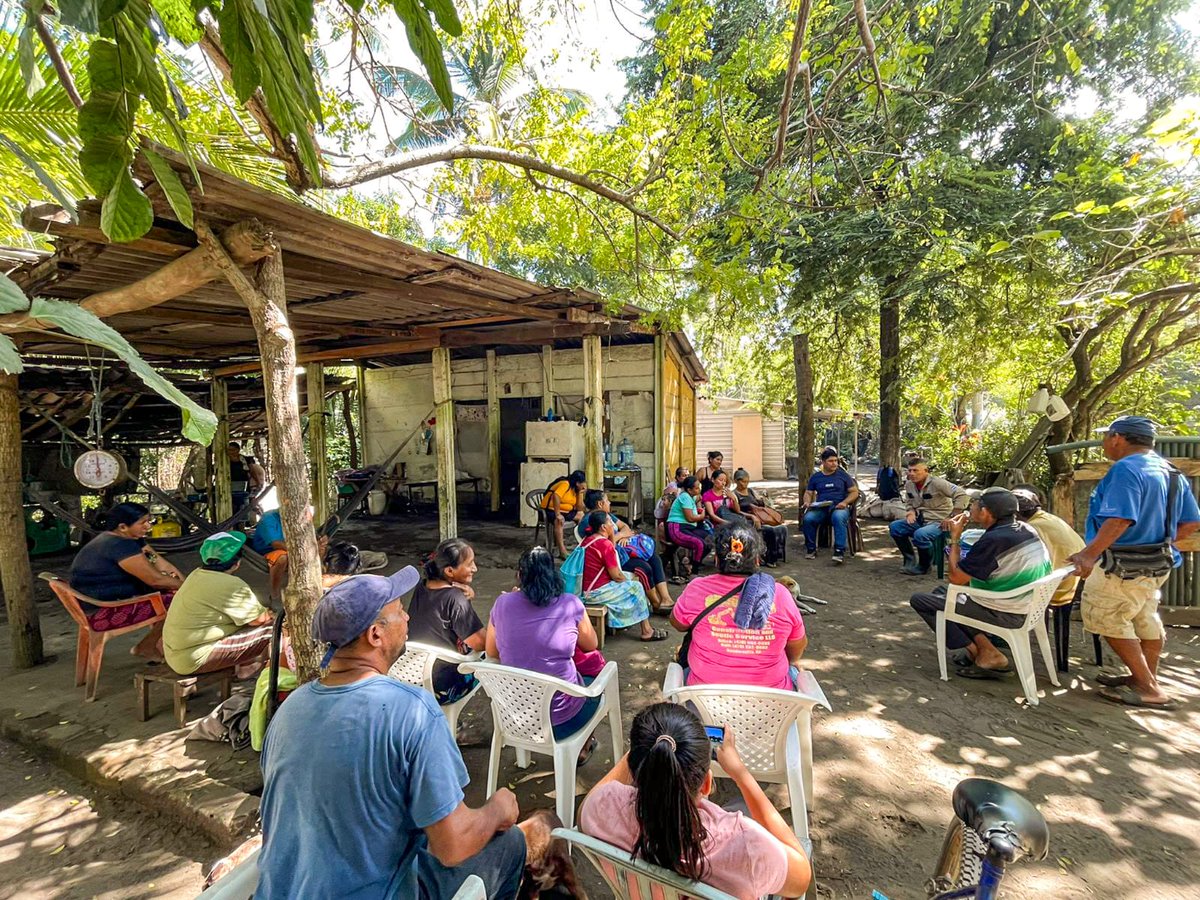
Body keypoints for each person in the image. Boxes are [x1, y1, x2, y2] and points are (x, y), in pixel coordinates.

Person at [256, 571, 526, 899]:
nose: (408, 616)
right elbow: (452, 846)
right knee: (511, 842)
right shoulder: (413, 711)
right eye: (400, 611)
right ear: (375, 635)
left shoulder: (290, 709)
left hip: (283, 890)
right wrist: (497, 809)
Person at [579, 703, 811, 900]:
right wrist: (741, 774)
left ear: (636, 768)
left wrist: (648, 747)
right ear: (707, 783)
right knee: (741, 804)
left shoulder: (603, 806)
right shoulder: (748, 847)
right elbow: (800, 879)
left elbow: (588, 804)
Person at [1068, 417, 1200, 710]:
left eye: (1106, 438)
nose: (1104, 443)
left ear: (1118, 438)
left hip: (1122, 565)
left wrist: (1089, 554)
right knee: (1144, 619)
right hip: (1158, 564)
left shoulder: (1126, 469)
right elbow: (1191, 522)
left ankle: (1148, 687)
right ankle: (1143, 677)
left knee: (1108, 618)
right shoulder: (1171, 471)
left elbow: (1120, 519)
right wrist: (1158, 543)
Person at [909, 487, 1052, 679]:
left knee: (921, 600)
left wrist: (955, 538)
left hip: (1006, 611)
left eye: (974, 505)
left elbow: (956, 578)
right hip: (1027, 604)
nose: (971, 509)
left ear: (985, 512)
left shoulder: (995, 539)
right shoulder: (1025, 528)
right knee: (941, 593)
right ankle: (984, 649)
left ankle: (982, 654)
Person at [488, 547, 605, 761]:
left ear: (520, 576)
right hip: (563, 721)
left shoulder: (502, 604)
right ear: (553, 574)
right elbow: (591, 644)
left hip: (514, 718)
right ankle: (583, 747)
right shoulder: (570, 603)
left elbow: (491, 652)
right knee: (596, 674)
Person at [669, 522, 807, 689]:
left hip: (704, 701)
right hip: (773, 707)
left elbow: (678, 623)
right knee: (794, 669)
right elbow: (796, 648)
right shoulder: (781, 594)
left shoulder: (696, 589)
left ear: (717, 559)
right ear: (757, 560)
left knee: (682, 668)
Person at [68, 502, 184, 659]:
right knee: (179, 602)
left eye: (149, 521)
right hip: (103, 611)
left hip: (103, 602)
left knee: (174, 592)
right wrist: (188, 588)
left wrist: (183, 582)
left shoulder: (129, 539)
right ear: (122, 527)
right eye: (142, 523)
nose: (148, 526)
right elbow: (155, 580)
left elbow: (160, 563)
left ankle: (159, 645)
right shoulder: (119, 545)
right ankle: (146, 646)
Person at [163, 532, 274, 678]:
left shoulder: (196, 574)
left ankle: (247, 666)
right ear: (237, 563)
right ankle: (256, 672)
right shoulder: (231, 585)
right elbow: (259, 620)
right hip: (195, 658)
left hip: (175, 655)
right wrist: (269, 613)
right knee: (276, 627)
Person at [408, 538, 486, 703]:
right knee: (492, 656)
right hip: (443, 687)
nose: (475, 568)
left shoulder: (422, 586)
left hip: (413, 675)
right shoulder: (455, 599)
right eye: (470, 563)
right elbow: (481, 644)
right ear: (450, 571)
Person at [577, 489, 677, 608]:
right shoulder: (589, 522)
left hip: (623, 551)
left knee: (654, 558)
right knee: (644, 568)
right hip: (613, 560)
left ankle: (666, 599)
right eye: (607, 500)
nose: (609, 503)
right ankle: (656, 604)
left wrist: (621, 536)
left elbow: (625, 527)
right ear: (600, 504)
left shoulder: (606, 516)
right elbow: (603, 545)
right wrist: (620, 536)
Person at [579, 511, 667, 641]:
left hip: (587, 588)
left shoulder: (588, 540)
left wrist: (611, 537)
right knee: (636, 587)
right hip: (596, 592)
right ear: (603, 527)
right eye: (610, 522)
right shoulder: (604, 545)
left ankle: (628, 622)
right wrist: (627, 583)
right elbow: (617, 576)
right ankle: (647, 631)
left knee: (630, 582)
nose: (613, 525)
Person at [889, 457, 969, 575]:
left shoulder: (938, 483)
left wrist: (952, 517)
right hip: (920, 519)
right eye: (909, 470)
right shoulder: (909, 484)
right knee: (895, 527)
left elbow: (962, 495)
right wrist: (910, 511)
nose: (911, 473)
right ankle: (909, 559)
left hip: (939, 521)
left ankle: (924, 566)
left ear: (926, 471)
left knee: (920, 535)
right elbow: (909, 502)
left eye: (915, 470)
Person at [1012, 485, 1084, 608]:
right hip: (1073, 581)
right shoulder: (1048, 519)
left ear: (1016, 514)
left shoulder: (1030, 528)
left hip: (1056, 588)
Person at [249, 505, 326, 600]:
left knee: (320, 548)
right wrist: (303, 551)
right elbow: (276, 544)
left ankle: (313, 583)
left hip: (293, 548)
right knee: (282, 557)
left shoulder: (299, 518)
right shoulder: (269, 518)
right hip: (268, 551)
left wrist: (319, 541)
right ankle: (274, 594)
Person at [801, 447, 859, 564]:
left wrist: (845, 502)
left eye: (836, 461)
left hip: (839, 507)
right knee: (808, 518)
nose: (834, 463)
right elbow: (808, 493)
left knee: (838, 517)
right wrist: (807, 502)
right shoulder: (816, 477)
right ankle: (811, 549)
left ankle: (839, 551)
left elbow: (854, 492)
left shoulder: (843, 475)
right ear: (823, 462)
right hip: (821, 508)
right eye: (831, 461)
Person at [731, 469, 788, 567]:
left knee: (782, 528)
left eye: (747, 481)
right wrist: (751, 516)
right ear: (736, 481)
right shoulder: (734, 494)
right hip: (748, 520)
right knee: (770, 530)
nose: (745, 484)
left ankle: (778, 554)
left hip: (760, 517)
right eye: (743, 481)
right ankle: (770, 558)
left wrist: (763, 500)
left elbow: (760, 503)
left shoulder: (751, 491)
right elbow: (736, 511)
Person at [666, 476, 713, 572]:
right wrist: (702, 515)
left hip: (689, 527)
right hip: (677, 527)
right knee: (699, 544)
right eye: (696, 488)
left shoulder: (692, 496)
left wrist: (698, 507)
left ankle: (690, 563)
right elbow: (690, 518)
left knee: (709, 541)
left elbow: (699, 497)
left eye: (699, 487)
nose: (699, 489)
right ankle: (693, 569)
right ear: (689, 490)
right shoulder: (685, 497)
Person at [540, 470, 587, 558]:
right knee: (559, 521)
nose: (585, 484)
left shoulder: (576, 490)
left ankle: (583, 544)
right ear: (577, 483)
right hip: (552, 510)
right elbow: (556, 496)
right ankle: (562, 551)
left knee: (582, 516)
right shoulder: (565, 484)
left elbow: (580, 508)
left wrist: (580, 494)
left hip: (566, 512)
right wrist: (558, 514)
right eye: (584, 482)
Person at [226, 441, 265, 508]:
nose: (231, 452)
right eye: (229, 450)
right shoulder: (225, 461)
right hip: (229, 485)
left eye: (233, 450)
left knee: (243, 503)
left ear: (238, 450)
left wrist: (258, 482)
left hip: (244, 485)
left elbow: (252, 471)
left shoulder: (246, 460)